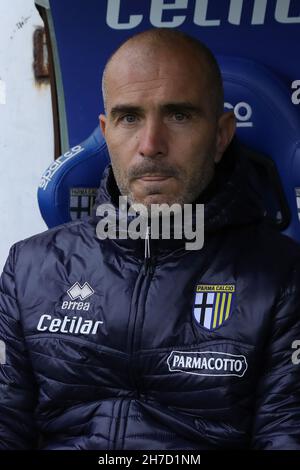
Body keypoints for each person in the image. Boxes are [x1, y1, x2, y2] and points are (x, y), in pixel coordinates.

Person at [0, 28, 300, 451]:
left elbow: (285, 436)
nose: (151, 145)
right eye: (129, 118)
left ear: (221, 135)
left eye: (179, 116)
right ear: (105, 133)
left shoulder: (283, 276)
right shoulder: (30, 268)